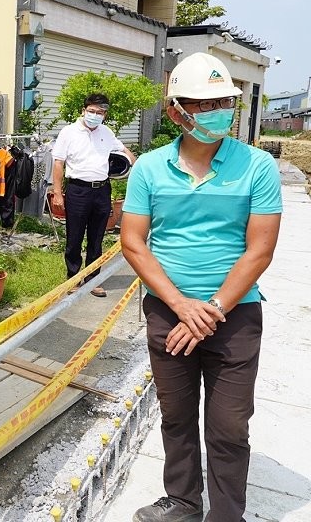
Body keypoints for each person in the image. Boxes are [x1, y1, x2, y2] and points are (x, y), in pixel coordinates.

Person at [120, 52, 282, 522]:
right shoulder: (149, 168)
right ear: (176, 112)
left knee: (229, 426)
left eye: (224, 102)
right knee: (176, 414)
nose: (218, 113)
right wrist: (179, 305)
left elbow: (260, 250)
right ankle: (184, 501)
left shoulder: (257, 166)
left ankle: (227, 514)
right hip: (168, 314)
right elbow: (134, 243)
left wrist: (209, 309)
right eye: (203, 103)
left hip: (235, 317)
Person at [51, 93, 136, 297]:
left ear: (104, 114)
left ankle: (93, 280)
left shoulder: (106, 132)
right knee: (74, 236)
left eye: (100, 112)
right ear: (83, 110)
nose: (95, 115)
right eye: (91, 111)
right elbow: (58, 163)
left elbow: (124, 150)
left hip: (102, 190)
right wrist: (57, 193)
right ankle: (73, 278)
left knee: (97, 237)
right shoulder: (69, 132)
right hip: (77, 190)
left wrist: (138, 164)